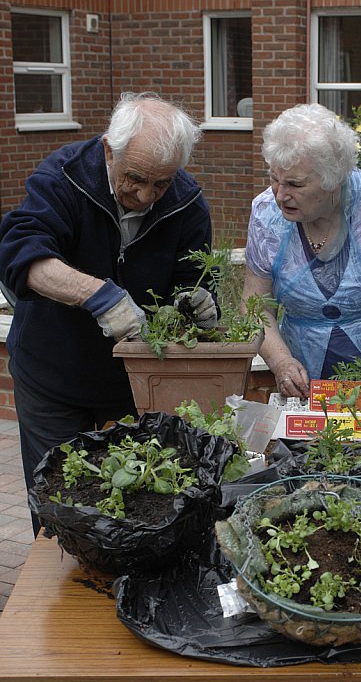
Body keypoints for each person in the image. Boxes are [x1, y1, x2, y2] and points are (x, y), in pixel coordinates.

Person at [0, 91, 216, 531]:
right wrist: (98, 294)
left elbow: (195, 282)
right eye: (135, 178)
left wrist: (195, 306)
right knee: (58, 500)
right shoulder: (64, 177)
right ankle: (58, 596)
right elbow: (20, 253)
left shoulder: (186, 201)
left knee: (140, 499)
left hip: (134, 382)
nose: (147, 195)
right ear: (108, 150)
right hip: (53, 373)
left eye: (161, 183)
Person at [240, 103, 361, 404]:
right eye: (274, 178)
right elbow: (255, 309)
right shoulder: (265, 214)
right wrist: (281, 362)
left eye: (295, 184)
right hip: (307, 391)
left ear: (334, 180)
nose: (280, 195)